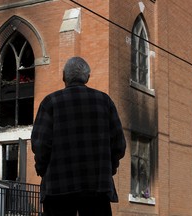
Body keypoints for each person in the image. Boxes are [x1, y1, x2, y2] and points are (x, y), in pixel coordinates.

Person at [31, 56, 126, 216]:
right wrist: (110, 168)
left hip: (58, 187)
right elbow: (119, 144)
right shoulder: (105, 102)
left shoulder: (50, 102)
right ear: (87, 77)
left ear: (63, 77)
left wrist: (42, 169)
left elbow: (40, 145)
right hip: (97, 187)